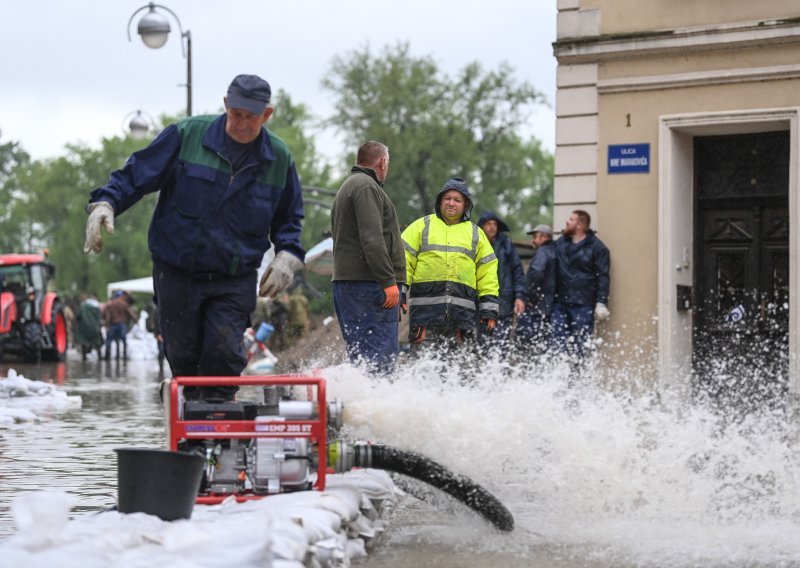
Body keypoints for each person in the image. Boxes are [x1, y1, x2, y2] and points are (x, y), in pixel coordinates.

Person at [84, 74, 305, 399]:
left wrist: (288, 254)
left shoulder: (278, 159)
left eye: (252, 117)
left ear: (267, 115)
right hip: (176, 271)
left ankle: (216, 432)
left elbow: (289, 216)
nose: (242, 124)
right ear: (226, 105)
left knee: (223, 353)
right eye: (237, 114)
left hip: (233, 277)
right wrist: (107, 202)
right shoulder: (187, 135)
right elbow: (137, 174)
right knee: (184, 359)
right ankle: (191, 433)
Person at [330, 141, 405, 374]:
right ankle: (377, 408)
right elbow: (372, 239)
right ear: (382, 162)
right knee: (379, 361)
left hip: (352, 287)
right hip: (369, 286)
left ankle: (363, 408)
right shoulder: (366, 187)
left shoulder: (349, 186)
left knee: (362, 359)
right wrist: (389, 282)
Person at [401, 177, 499, 353]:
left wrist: (489, 310)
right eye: (447, 198)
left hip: (461, 322)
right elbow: (402, 261)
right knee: (421, 372)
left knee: (459, 376)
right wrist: (400, 291)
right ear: (440, 201)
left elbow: (488, 275)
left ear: (466, 205)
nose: (451, 203)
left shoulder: (477, 234)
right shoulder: (420, 227)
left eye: (457, 200)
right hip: (425, 318)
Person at [552, 210, 610, 359]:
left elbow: (603, 276)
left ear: (579, 225)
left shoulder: (597, 248)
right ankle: (558, 379)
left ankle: (578, 381)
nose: (567, 222)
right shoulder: (561, 243)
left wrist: (601, 302)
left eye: (571, 220)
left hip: (583, 305)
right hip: (560, 303)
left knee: (580, 348)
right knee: (557, 345)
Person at [477, 210, 526, 342]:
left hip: (504, 298)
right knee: (483, 342)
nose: (492, 227)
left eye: (495, 224)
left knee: (501, 341)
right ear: (482, 226)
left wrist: (519, 296)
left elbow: (517, 271)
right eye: (489, 224)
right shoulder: (475, 244)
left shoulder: (506, 244)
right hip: (481, 300)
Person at [516, 224, 557, 353]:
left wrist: (528, 297)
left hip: (537, 308)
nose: (532, 240)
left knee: (527, 346)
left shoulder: (542, 252)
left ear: (544, 237)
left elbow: (536, 273)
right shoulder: (556, 251)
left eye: (535, 236)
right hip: (550, 307)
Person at [103, 290, 137, 360]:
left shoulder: (111, 304)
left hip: (113, 324)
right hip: (122, 324)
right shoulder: (124, 304)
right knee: (123, 340)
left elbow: (108, 316)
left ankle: (107, 355)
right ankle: (124, 355)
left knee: (109, 340)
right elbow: (131, 313)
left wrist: (106, 325)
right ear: (121, 296)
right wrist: (136, 320)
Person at [75, 293, 104, 360]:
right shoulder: (95, 306)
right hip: (95, 328)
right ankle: (100, 356)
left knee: (84, 342)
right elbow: (99, 317)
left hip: (85, 328)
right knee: (97, 342)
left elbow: (78, 317)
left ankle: (84, 356)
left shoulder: (82, 307)